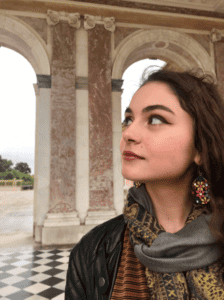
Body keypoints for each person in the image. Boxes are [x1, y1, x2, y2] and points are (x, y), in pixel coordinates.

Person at [65, 68, 224, 299]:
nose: (128, 132)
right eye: (128, 119)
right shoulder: (91, 252)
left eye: (156, 119)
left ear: (199, 147)